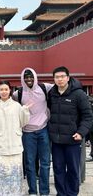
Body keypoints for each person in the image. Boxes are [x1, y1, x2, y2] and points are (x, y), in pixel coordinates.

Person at [47, 66, 93, 196]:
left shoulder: (79, 94)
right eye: (57, 77)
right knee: (58, 169)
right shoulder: (52, 94)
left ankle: (72, 193)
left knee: (73, 169)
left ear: (68, 77)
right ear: (54, 79)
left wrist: (81, 132)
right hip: (56, 140)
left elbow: (88, 116)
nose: (60, 79)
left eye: (62, 76)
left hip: (73, 139)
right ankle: (61, 193)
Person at [0, 81, 30, 196]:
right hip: (0, 143)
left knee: (14, 170)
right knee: (0, 170)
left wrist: (25, 111)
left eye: (6, 89)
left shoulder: (17, 106)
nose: (4, 92)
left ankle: (15, 192)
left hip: (14, 143)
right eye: (1, 89)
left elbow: (23, 122)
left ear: (10, 91)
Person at [12, 68, 53, 196]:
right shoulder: (17, 94)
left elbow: (62, 85)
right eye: (26, 77)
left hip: (43, 130)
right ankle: (33, 191)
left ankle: (44, 191)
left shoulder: (45, 88)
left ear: (35, 76)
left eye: (31, 77)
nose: (29, 79)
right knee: (29, 164)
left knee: (45, 163)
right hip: (27, 132)